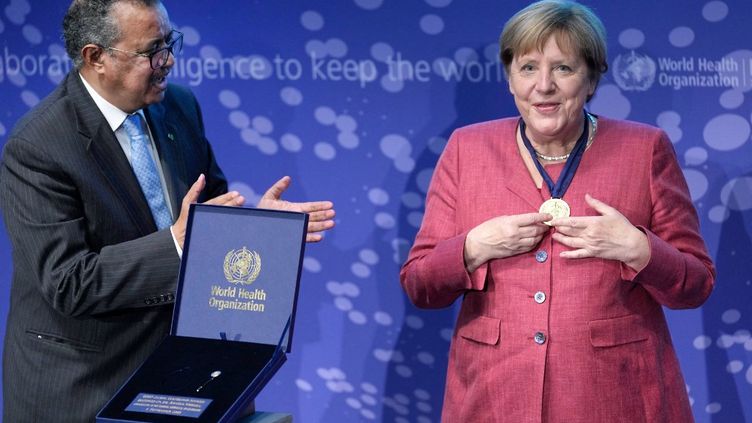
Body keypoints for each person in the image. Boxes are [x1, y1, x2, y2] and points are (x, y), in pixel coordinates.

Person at [0, 0, 335, 421]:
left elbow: (207, 218)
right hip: (87, 385)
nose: (168, 60)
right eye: (151, 50)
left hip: (181, 377)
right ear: (95, 57)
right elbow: (68, 282)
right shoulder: (38, 146)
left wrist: (260, 229)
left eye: (169, 42)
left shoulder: (178, 106)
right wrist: (175, 243)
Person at [400, 1, 715, 422]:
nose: (543, 86)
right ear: (510, 78)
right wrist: (473, 247)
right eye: (528, 67)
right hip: (494, 397)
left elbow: (696, 286)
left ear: (591, 78)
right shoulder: (465, 149)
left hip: (613, 397)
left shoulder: (644, 149)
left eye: (563, 68)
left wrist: (639, 249)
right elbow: (420, 285)